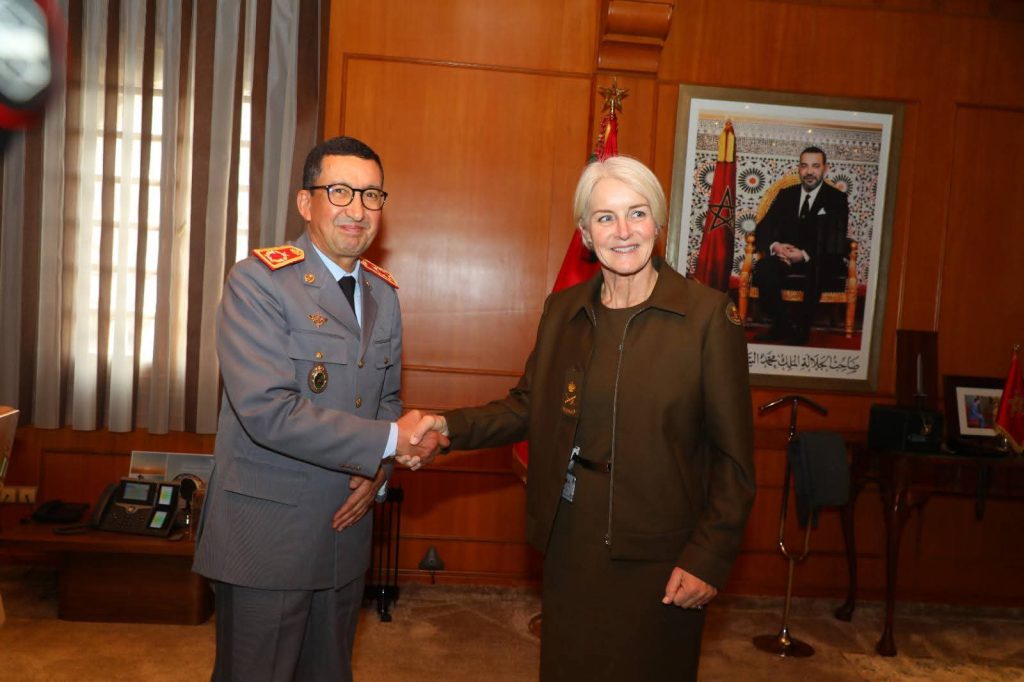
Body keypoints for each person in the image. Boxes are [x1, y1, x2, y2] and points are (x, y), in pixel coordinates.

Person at [411, 156, 756, 681]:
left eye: (637, 213)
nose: (624, 231)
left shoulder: (707, 317)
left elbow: (734, 460)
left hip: (662, 552)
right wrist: (447, 426)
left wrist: (708, 557)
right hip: (572, 538)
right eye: (605, 217)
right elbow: (527, 405)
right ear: (587, 235)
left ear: (658, 224)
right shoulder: (563, 311)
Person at [192, 135, 446, 682]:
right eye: (340, 192)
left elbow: (386, 402)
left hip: (344, 533)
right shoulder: (258, 283)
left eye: (371, 195)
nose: (357, 209)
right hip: (268, 537)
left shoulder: (383, 295)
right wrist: (388, 443)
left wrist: (378, 471)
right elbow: (267, 412)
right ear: (306, 203)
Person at [753, 146, 850, 345]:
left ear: (825, 169)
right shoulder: (786, 194)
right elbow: (763, 227)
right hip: (785, 256)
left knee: (817, 268)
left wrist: (804, 254)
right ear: (799, 168)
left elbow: (835, 238)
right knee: (763, 267)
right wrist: (776, 246)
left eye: (815, 166)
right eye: (804, 166)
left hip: (819, 257)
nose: (809, 172)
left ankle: (802, 329)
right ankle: (782, 324)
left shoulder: (836, 199)